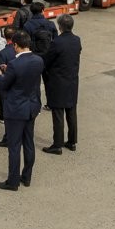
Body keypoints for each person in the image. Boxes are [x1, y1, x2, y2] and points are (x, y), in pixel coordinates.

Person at [0, 30, 44, 191]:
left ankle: (12, 181)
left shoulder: (15, 65)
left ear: (15, 45)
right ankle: (26, 176)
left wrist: (1, 74)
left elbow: (4, 84)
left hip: (16, 109)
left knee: (14, 147)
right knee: (29, 143)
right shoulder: (38, 60)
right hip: (31, 106)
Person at [41, 14, 82, 155]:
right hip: (72, 81)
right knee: (71, 112)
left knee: (58, 114)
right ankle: (72, 142)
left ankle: (57, 144)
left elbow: (47, 60)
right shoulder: (77, 40)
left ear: (60, 27)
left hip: (58, 82)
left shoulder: (56, 42)